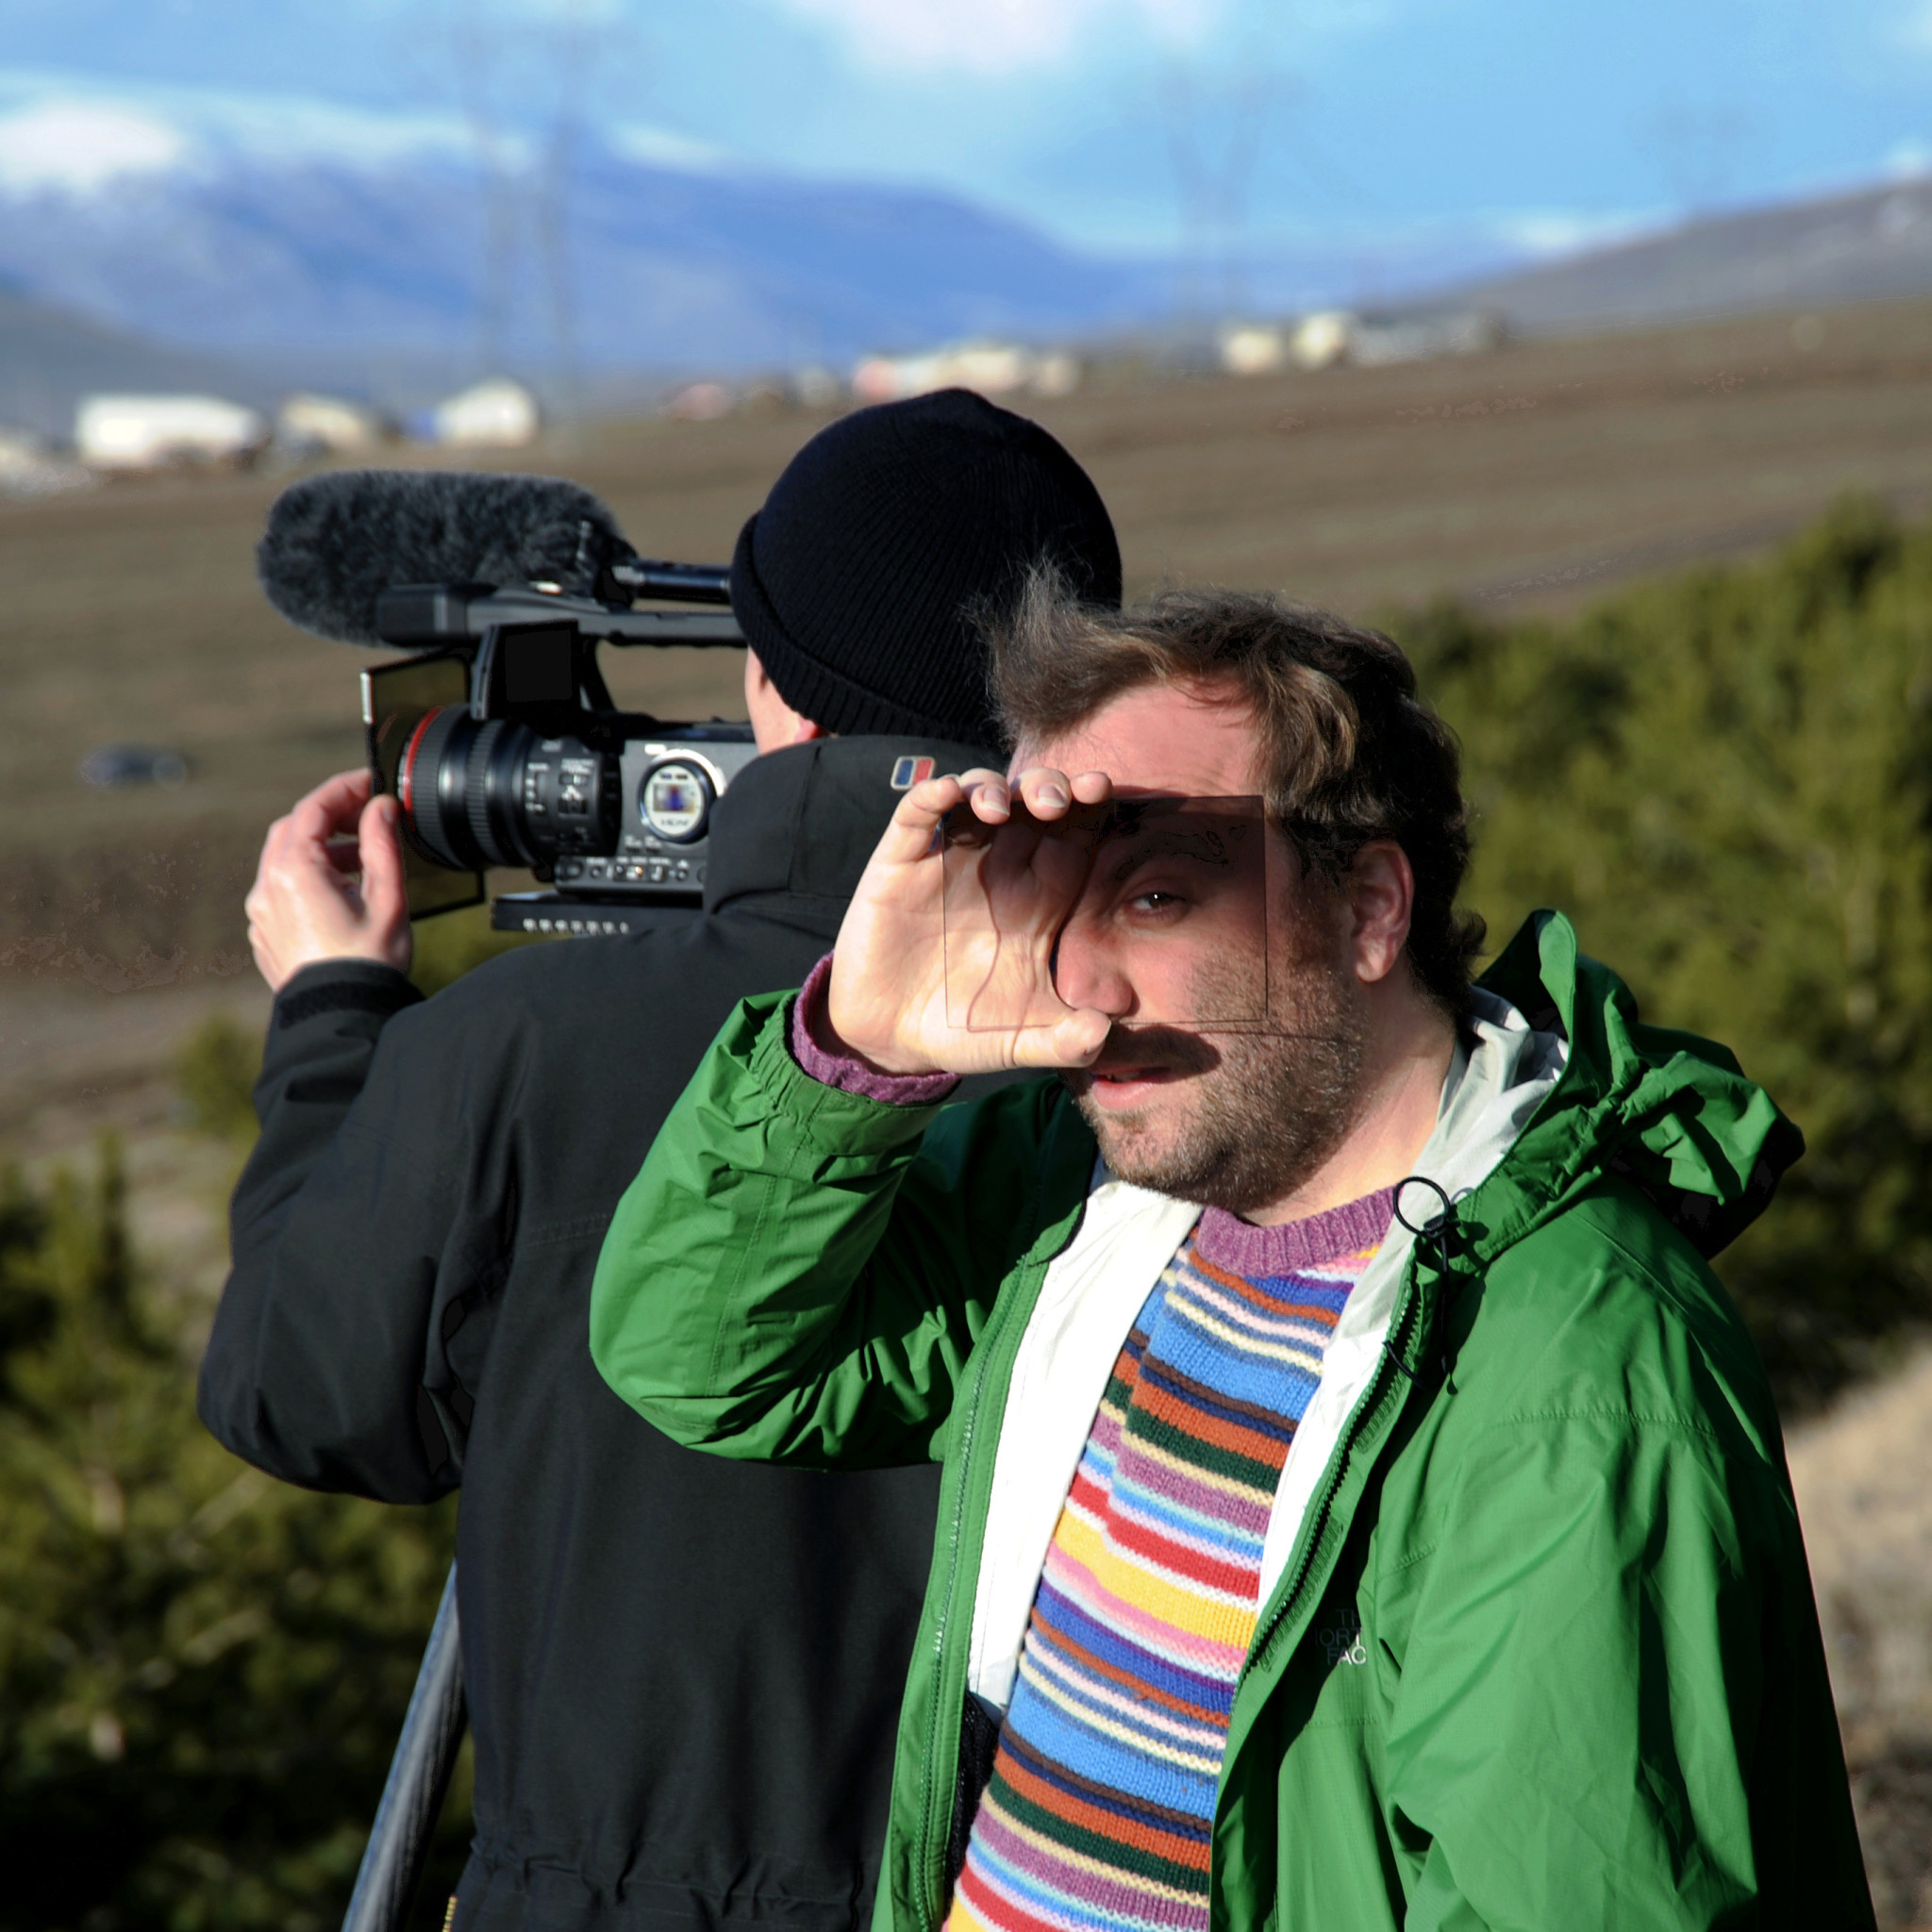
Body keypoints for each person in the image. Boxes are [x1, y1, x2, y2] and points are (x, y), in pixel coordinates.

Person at [590, 580, 1874, 1932]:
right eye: (1049, 903)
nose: (1083, 987)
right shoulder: (1085, 1202)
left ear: (1373, 910)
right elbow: (705, 1359)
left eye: (1157, 895)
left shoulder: (1565, 1371)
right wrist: (855, 1045)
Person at [196, 391, 1124, 1932]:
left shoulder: (527, 1045)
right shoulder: (1160, 1047)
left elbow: (304, 1388)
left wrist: (334, 1015)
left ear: (769, 681)